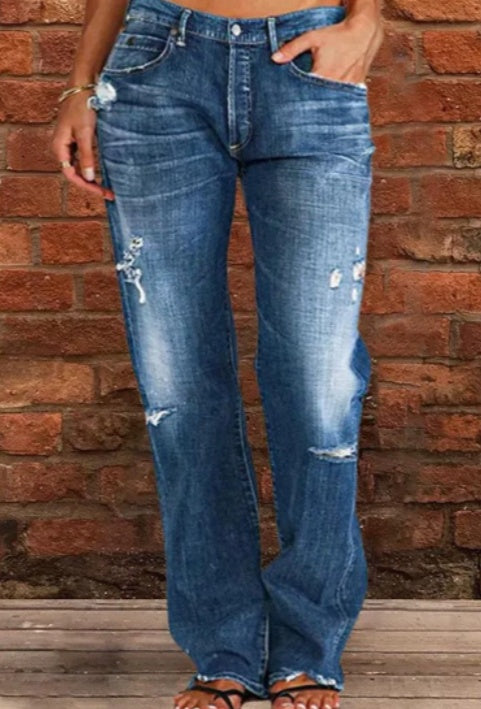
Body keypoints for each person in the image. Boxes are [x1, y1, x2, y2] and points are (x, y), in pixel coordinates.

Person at [51, 0, 383, 708]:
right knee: (179, 386)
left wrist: (364, 20)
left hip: (307, 64)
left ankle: (308, 644)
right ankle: (222, 646)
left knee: (319, 380)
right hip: (156, 69)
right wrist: (80, 84)